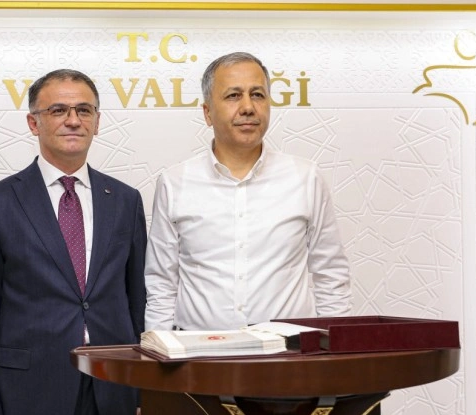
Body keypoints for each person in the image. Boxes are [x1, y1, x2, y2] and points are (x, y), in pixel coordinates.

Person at [0, 69, 146, 415]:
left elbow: (137, 305)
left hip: (110, 398)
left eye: (84, 110)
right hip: (30, 402)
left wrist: (138, 397)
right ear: (34, 122)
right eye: (58, 110)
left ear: (97, 121)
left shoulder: (125, 201)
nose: (73, 120)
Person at [144, 52, 351, 332]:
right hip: (199, 352)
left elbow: (331, 274)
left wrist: (334, 347)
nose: (248, 107)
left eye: (257, 95)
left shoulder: (305, 177)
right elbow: (161, 283)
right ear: (207, 112)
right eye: (233, 96)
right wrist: (159, 347)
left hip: (289, 352)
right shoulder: (175, 183)